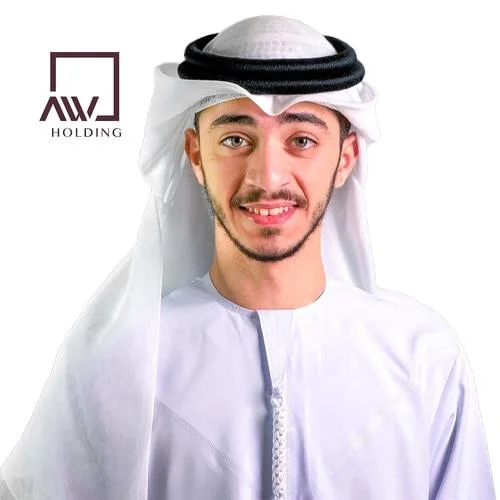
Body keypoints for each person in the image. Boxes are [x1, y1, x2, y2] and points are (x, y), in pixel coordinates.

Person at [0, 15, 496, 500]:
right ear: (196, 154)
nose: (268, 176)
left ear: (345, 159)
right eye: (236, 140)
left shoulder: (424, 359)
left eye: (302, 141)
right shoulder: (119, 362)